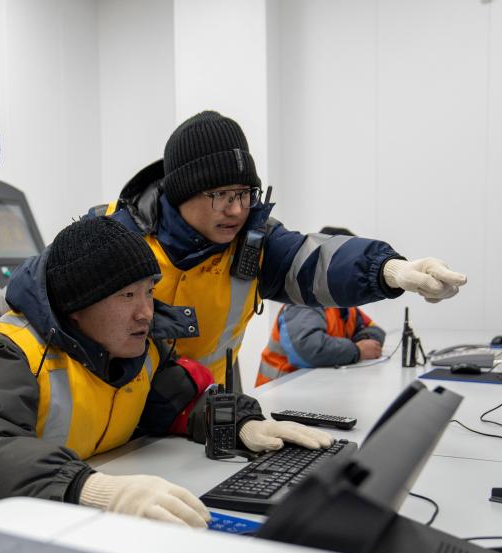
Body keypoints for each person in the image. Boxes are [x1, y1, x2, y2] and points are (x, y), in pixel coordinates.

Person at [0, 216, 331, 528]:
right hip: (23, 533)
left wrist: (241, 423)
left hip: (86, 524)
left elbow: (182, 399)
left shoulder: (139, 351)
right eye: (127, 295)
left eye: (148, 292)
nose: (145, 312)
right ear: (76, 306)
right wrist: (89, 487)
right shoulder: (11, 352)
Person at [82, 110, 466, 385]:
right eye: (220, 195)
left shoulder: (254, 242)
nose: (236, 209)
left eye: (244, 193)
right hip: (118, 423)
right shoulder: (111, 236)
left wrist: (389, 270)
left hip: (199, 412)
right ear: (181, 193)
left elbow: (314, 261)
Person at [255, 305, 386, 385]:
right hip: (278, 394)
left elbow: (374, 329)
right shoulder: (304, 301)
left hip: (314, 389)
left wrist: (363, 341)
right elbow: (307, 349)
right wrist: (358, 350)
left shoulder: (346, 307)